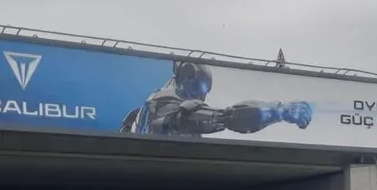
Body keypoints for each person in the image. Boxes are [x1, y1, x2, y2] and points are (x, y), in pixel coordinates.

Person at [119, 60, 313, 136]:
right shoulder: (160, 102)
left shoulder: (137, 114)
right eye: (197, 91)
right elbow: (186, 119)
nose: (200, 96)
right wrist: (278, 111)